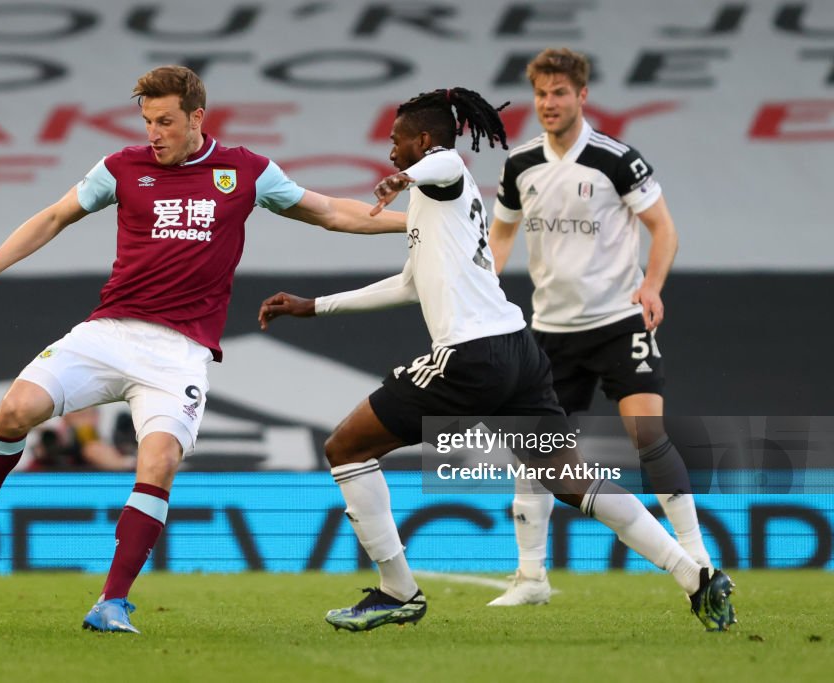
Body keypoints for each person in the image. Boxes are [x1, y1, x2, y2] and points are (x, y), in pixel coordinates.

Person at [0, 65, 405, 634]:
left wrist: (417, 225)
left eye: (167, 122)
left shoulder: (245, 171)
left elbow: (330, 212)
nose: (154, 133)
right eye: (148, 121)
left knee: (157, 464)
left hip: (179, 352)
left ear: (197, 117)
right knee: (12, 411)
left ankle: (111, 602)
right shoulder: (121, 168)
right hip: (109, 331)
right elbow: (55, 216)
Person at [258, 87, 735, 632]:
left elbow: (445, 162)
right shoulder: (433, 204)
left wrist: (405, 177)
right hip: (520, 353)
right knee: (566, 477)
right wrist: (314, 306)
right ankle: (694, 573)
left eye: (396, 143)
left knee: (346, 446)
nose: (389, 153)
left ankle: (398, 591)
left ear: (423, 140)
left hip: (471, 356)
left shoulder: (445, 173)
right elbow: (412, 283)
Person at [486, 47, 713, 606]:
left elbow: (663, 229)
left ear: (582, 96)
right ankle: (532, 579)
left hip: (616, 321)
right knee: (535, 449)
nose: (548, 103)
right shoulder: (519, 164)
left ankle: (700, 563)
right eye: (541, 94)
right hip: (550, 331)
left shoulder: (617, 159)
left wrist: (652, 285)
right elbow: (501, 237)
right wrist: (482, 297)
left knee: (647, 436)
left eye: (560, 93)